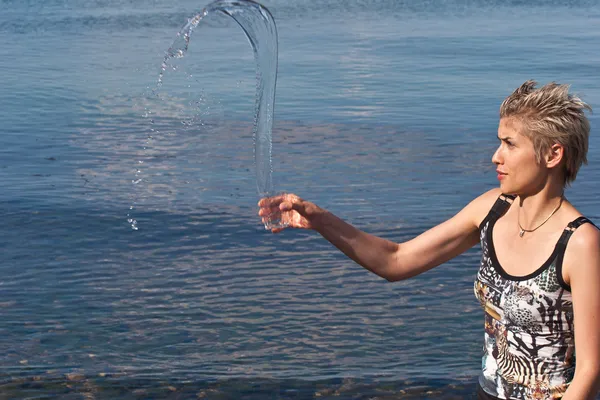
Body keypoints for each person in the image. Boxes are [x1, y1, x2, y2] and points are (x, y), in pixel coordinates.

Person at [258, 80, 600, 400]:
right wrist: (320, 220)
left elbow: (588, 371)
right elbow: (395, 261)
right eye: (499, 142)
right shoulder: (491, 209)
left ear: (553, 155)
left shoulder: (580, 243)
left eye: (510, 144)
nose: (496, 156)